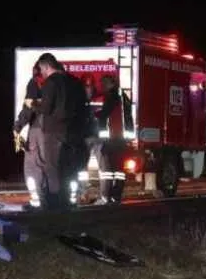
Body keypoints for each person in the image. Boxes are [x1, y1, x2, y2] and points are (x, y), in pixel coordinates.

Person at [32, 52, 89, 210]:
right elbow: (83, 107)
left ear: (47, 66)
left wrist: (34, 105)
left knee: (53, 167)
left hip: (53, 132)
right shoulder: (75, 82)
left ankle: (56, 203)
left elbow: (46, 108)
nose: (41, 73)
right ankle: (69, 200)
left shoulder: (51, 83)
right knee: (70, 167)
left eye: (41, 70)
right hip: (73, 131)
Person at [85, 75, 127, 204]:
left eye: (104, 84)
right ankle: (115, 196)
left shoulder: (112, 97)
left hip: (113, 139)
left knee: (109, 170)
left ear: (111, 84)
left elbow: (104, 113)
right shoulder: (121, 97)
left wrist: (91, 114)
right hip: (120, 139)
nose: (102, 87)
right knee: (118, 170)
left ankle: (106, 196)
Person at [13, 62, 45, 209]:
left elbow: (28, 107)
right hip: (56, 131)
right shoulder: (59, 85)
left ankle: (37, 200)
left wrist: (18, 126)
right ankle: (52, 200)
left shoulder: (35, 83)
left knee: (32, 167)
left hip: (38, 128)